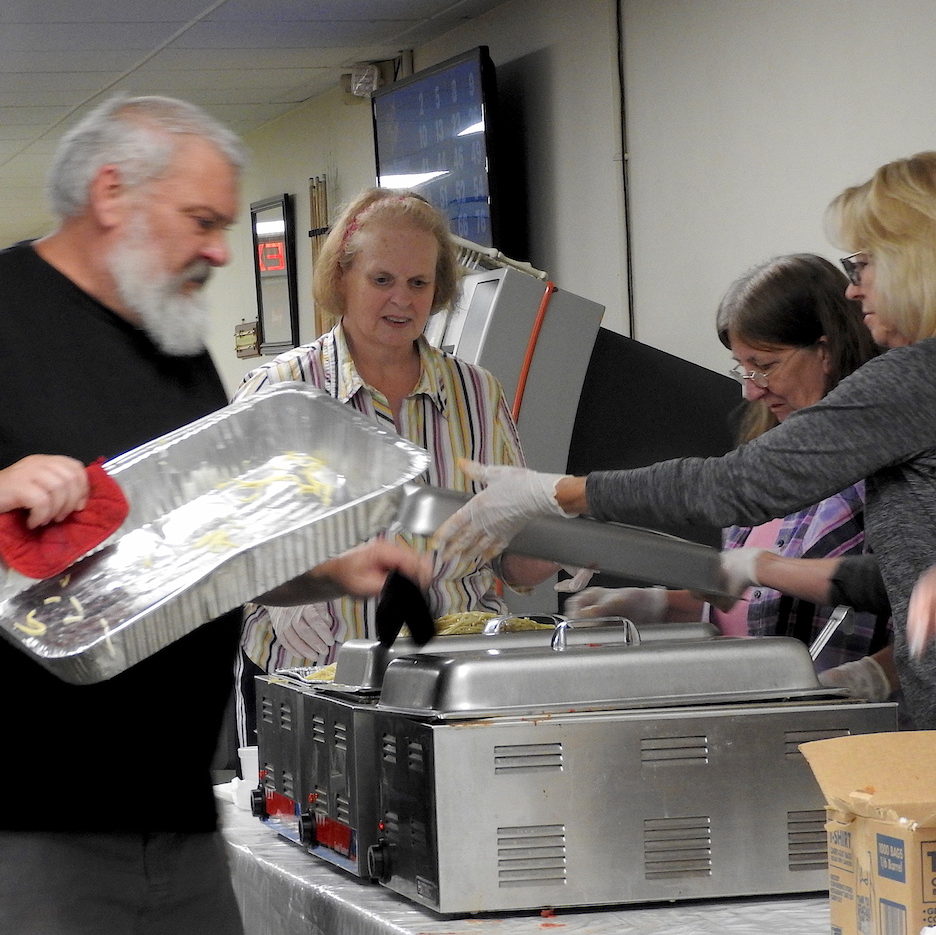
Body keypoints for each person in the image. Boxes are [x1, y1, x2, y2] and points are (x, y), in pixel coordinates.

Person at [0, 96, 429, 935]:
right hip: (13, 828)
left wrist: (326, 570)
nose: (216, 249)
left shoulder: (175, 351)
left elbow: (196, 559)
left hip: (179, 821)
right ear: (112, 193)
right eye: (200, 221)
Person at [435, 150, 936, 730]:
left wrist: (555, 492)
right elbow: (895, 577)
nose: (855, 289)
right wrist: (749, 571)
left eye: (864, 264)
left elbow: (739, 486)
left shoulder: (911, 379)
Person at [232, 187, 558, 744]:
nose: (402, 301)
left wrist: (574, 528)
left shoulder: (477, 394)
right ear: (341, 278)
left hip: (454, 686)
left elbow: (516, 562)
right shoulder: (281, 393)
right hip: (313, 684)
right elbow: (237, 562)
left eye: (418, 283)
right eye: (381, 280)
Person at [564, 254, 894, 697]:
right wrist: (660, 605)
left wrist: (871, 678)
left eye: (766, 365)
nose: (750, 388)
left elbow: (908, 593)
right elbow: (751, 604)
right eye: (742, 368)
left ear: (827, 349)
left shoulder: (885, 454)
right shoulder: (759, 457)